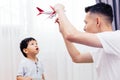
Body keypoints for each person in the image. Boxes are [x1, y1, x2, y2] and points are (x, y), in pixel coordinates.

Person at [54, 2, 120, 80]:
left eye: (86, 23)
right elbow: (77, 58)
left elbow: (71, 35)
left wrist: (59, 9)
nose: (84, 28)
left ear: (97, 21)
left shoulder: (116, 37)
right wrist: (63, 32)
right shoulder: (102, 46)